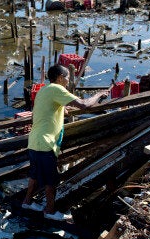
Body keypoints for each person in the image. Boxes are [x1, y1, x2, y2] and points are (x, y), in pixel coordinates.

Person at [22, 64, 109, 221]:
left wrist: (62, 109)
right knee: (51, 180)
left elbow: (40, 113)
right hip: (45, 144)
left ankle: (27, 202)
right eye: (68, 78)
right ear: (60, 77)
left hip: (34, 142)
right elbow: (84, 104)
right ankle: (49, 211)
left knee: (34, 175)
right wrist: (99, 95)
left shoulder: (43, 90)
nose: (68, 82)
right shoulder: (57, 89)